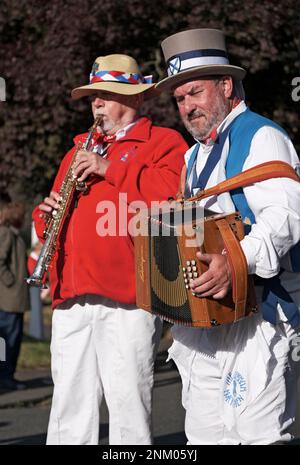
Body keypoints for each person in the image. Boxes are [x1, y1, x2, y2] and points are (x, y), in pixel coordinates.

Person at [32, 53, 187, 445]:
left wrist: (109, 170)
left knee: (128, 404)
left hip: (129, 296)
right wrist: (44, 215)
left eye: (105, 94)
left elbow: (172, 198)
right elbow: (57, 218)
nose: (96, 102)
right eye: (93, 95)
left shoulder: (163, 142)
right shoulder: (76, 151)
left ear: (134, 98)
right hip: (72, 296)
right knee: (68, 406)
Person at [156, 28, 300, 445]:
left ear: (226, 85)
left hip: (261, 312)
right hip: (206, 315)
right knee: (205, 434)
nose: (187, 107)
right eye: (180, 99)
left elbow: (286, 217)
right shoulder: (192, 154)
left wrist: (236, 259)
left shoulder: (261, 135)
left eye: (195, 93)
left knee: (258, 434)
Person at [0, 195, 28, 391]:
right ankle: (6, 378)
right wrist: (11, 283)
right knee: (8, 340)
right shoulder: (6, 234)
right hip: (9, 299)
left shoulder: (12, 234)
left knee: (11, 339)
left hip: (13, 298)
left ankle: (7, 376)